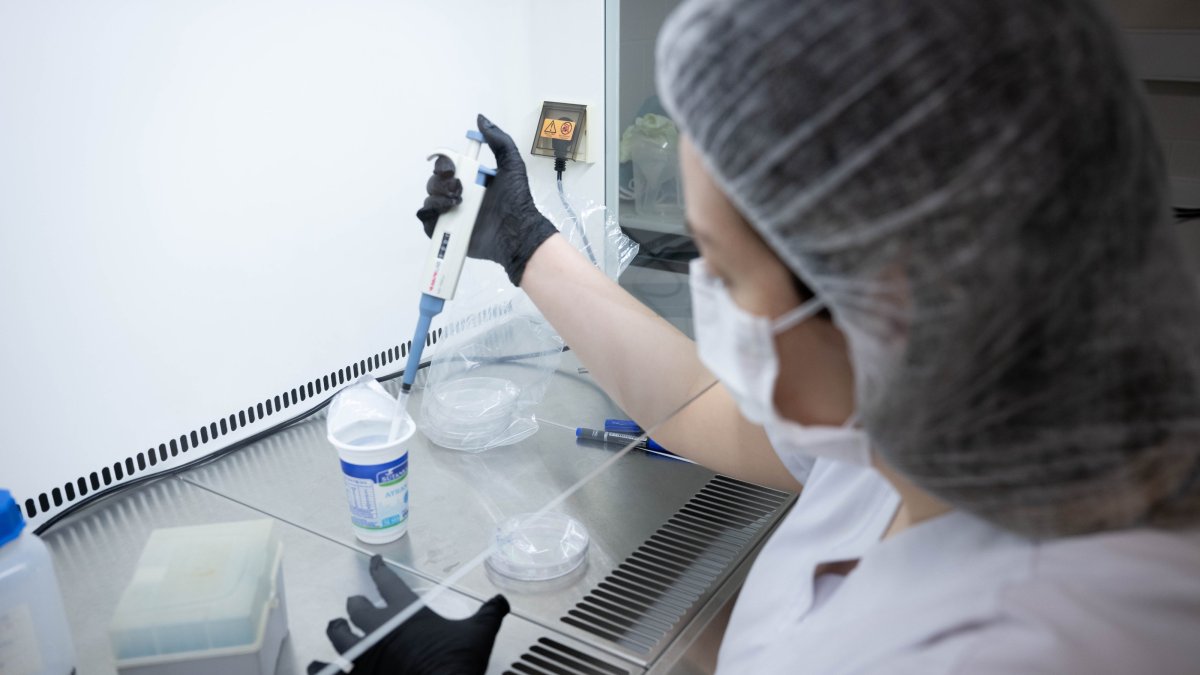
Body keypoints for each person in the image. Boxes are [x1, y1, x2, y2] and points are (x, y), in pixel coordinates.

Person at [313, 0, 1200, 672]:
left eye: (726, 268)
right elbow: (697, 400)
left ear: (882, 297)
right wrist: (526, 244)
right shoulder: (921, 424)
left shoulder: (1028, 644)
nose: (711, 297)